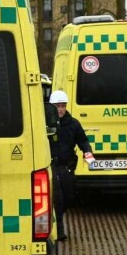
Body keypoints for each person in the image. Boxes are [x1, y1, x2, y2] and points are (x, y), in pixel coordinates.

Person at [48, 90, 94, 241]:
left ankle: (59, 216)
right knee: (57, 198)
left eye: (63, 106)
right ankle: (59, 228)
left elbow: (83, 141)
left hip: (66, 167)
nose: (60, 109)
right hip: (51, 166)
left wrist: (88, 153)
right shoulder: (44, 124)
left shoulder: (73, 124)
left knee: (69, 197)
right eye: (57, 106)